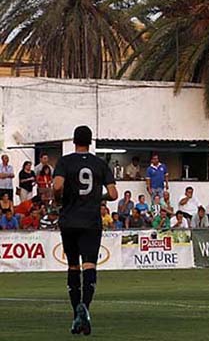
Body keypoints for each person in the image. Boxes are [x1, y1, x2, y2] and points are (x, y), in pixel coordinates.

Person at [53, 125, 118, 335]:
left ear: (74, 141)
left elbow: (57, 186)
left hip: (69, 220)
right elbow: (114, 194)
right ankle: (86, 309)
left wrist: (58, 200)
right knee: (90, 265)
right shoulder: (100, 164)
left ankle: (76, 316)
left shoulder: (65, 161)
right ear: (90, 142)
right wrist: (97, 198)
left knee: (73, 267)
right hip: (91, 221)